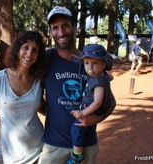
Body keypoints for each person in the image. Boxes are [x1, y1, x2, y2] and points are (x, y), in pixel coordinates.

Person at [38, 6, 115, 164]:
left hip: (86, 145)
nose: (61, 32)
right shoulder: (46, 59)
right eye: (55, 28)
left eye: (65, 25)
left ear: (74, 27)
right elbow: (32, 93)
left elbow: (111, 103)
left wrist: (97, 119)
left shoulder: (91, 63)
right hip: (53, 145)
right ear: (51, 32)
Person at [0, 31, 47, 164]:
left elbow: (42, 108)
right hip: (8, 151)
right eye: (25, 47)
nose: (29, 54)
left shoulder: (38, 81)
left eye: (35, 50)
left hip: (38, 150)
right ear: (17, 49)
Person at [67, 44, 116, 164]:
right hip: (92, 107)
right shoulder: (99, 75)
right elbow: (109, 76)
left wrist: (82, 112)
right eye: (87, 63)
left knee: (76, 128)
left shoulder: (98, 83)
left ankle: (77, 156)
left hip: (92, 110)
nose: (90, 67)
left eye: (95, 63)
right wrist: (108, 76)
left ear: (103, 64)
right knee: (86, 129)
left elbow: (98, 102)